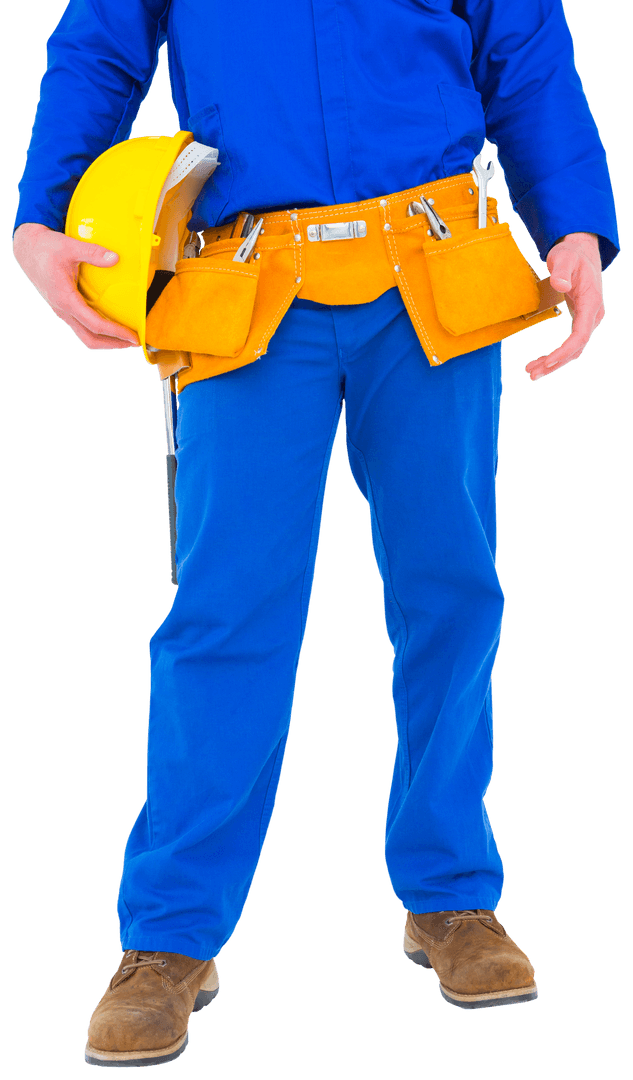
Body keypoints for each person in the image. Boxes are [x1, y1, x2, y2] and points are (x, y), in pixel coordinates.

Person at [12, 0, 619, 1066]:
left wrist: (570, 216)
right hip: (244, 286)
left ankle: (452, 898)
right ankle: (170, 937)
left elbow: (520, 38)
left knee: (451, 592)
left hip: (434, 271)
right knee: (224, 610)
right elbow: (101, 40)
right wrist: (41, 213)